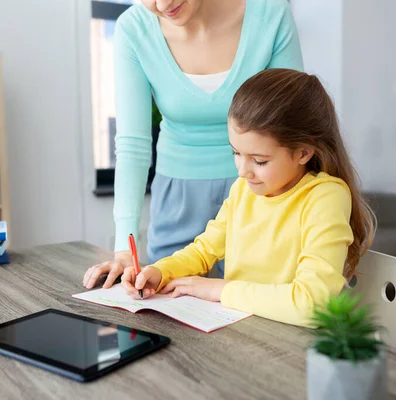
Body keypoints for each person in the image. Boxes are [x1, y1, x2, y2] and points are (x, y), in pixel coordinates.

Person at [119, 68, 377, 327]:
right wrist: (161, 272)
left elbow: (311, 303)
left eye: (260, 160)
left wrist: (221, 290)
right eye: (236, 153)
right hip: (241, 329)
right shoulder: (244, 189)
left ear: (303, 153)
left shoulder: (325, 197)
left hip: (295, 343)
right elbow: (203, 251)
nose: (242, 171)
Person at [83, 0, 303, 289]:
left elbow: (294, 125)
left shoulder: (270, 13)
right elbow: (132, 145)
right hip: (178, 200)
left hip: (262, 193)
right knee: (170, 314)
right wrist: (125, 250)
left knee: (256, 315)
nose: (161, 5)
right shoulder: (133, 29)